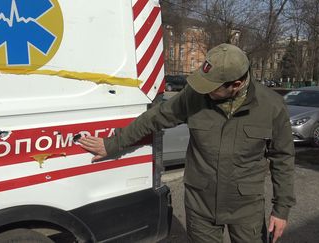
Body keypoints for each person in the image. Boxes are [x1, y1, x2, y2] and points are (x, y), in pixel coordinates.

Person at [78, 43, 295, 243]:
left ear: (236, 84)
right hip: (200, 205)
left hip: (246, 208)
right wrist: (112, 144)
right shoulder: (194, 96)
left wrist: (281, 209)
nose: (204, 90)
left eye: (212, 86)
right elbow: (155, 117)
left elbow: (283, 158)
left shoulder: (271, 106)